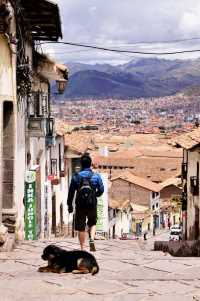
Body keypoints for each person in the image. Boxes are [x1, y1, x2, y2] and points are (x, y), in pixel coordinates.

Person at [67, 154, 104, 252]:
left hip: (80, 205)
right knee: (92, 223)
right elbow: (101, 190)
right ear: (90, 164)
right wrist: (94, 195)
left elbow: (71, 193)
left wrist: (69, 205)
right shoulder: (96, 176)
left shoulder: (76, 177)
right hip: (92, 204)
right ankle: (91, 239)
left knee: (81, 227)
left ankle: (82, 248)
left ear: (81, 164)